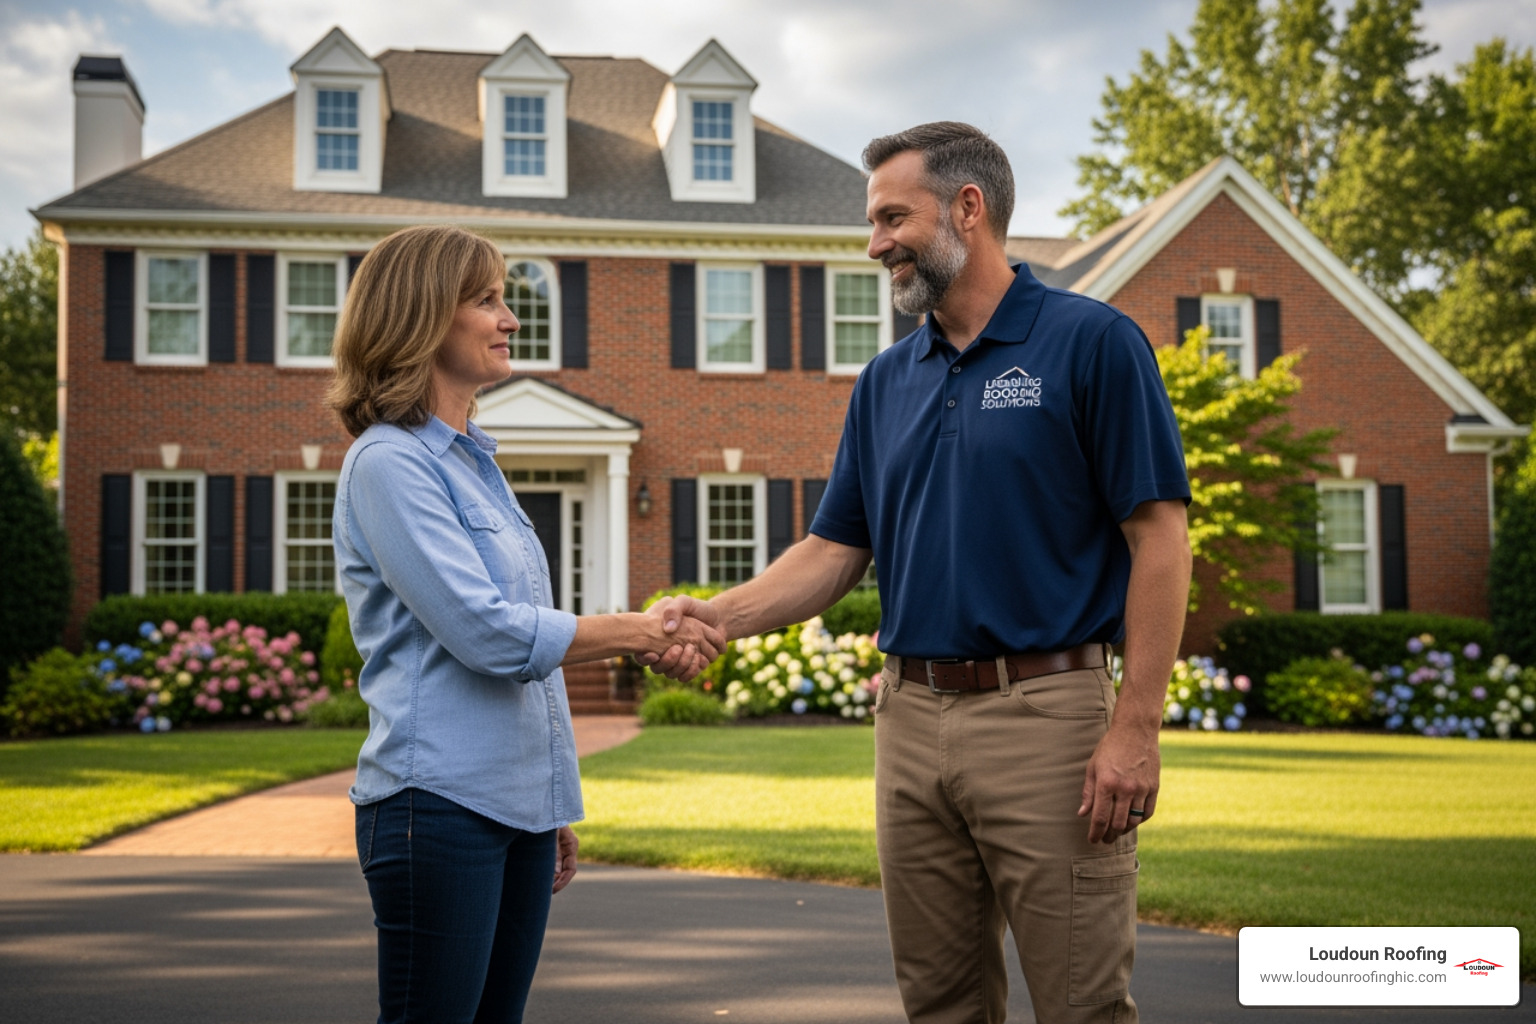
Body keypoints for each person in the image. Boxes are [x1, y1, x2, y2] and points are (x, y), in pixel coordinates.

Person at [649, 123, 1192, 1024]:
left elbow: (1161, 539)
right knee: (937, 1003)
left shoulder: (1091, 342)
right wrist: (720, 614)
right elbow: (832, 552)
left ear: (967, 209)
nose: (875, 244)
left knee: (1080, 1005)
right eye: (873, 222)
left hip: (1047, 721)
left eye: (893, 216)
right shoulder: (885, 381)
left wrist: (1136, 725)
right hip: (909, 720)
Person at [326, 224, 723, 1024]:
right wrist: (645, 632)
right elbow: (493, 635)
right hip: (433, 806)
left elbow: (521, 645)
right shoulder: (389, 462)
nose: (510, 318)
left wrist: (547, 803)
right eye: (486, 300)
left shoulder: (474, 460)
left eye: (505, 298)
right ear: (420, 318)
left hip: (514, 815)